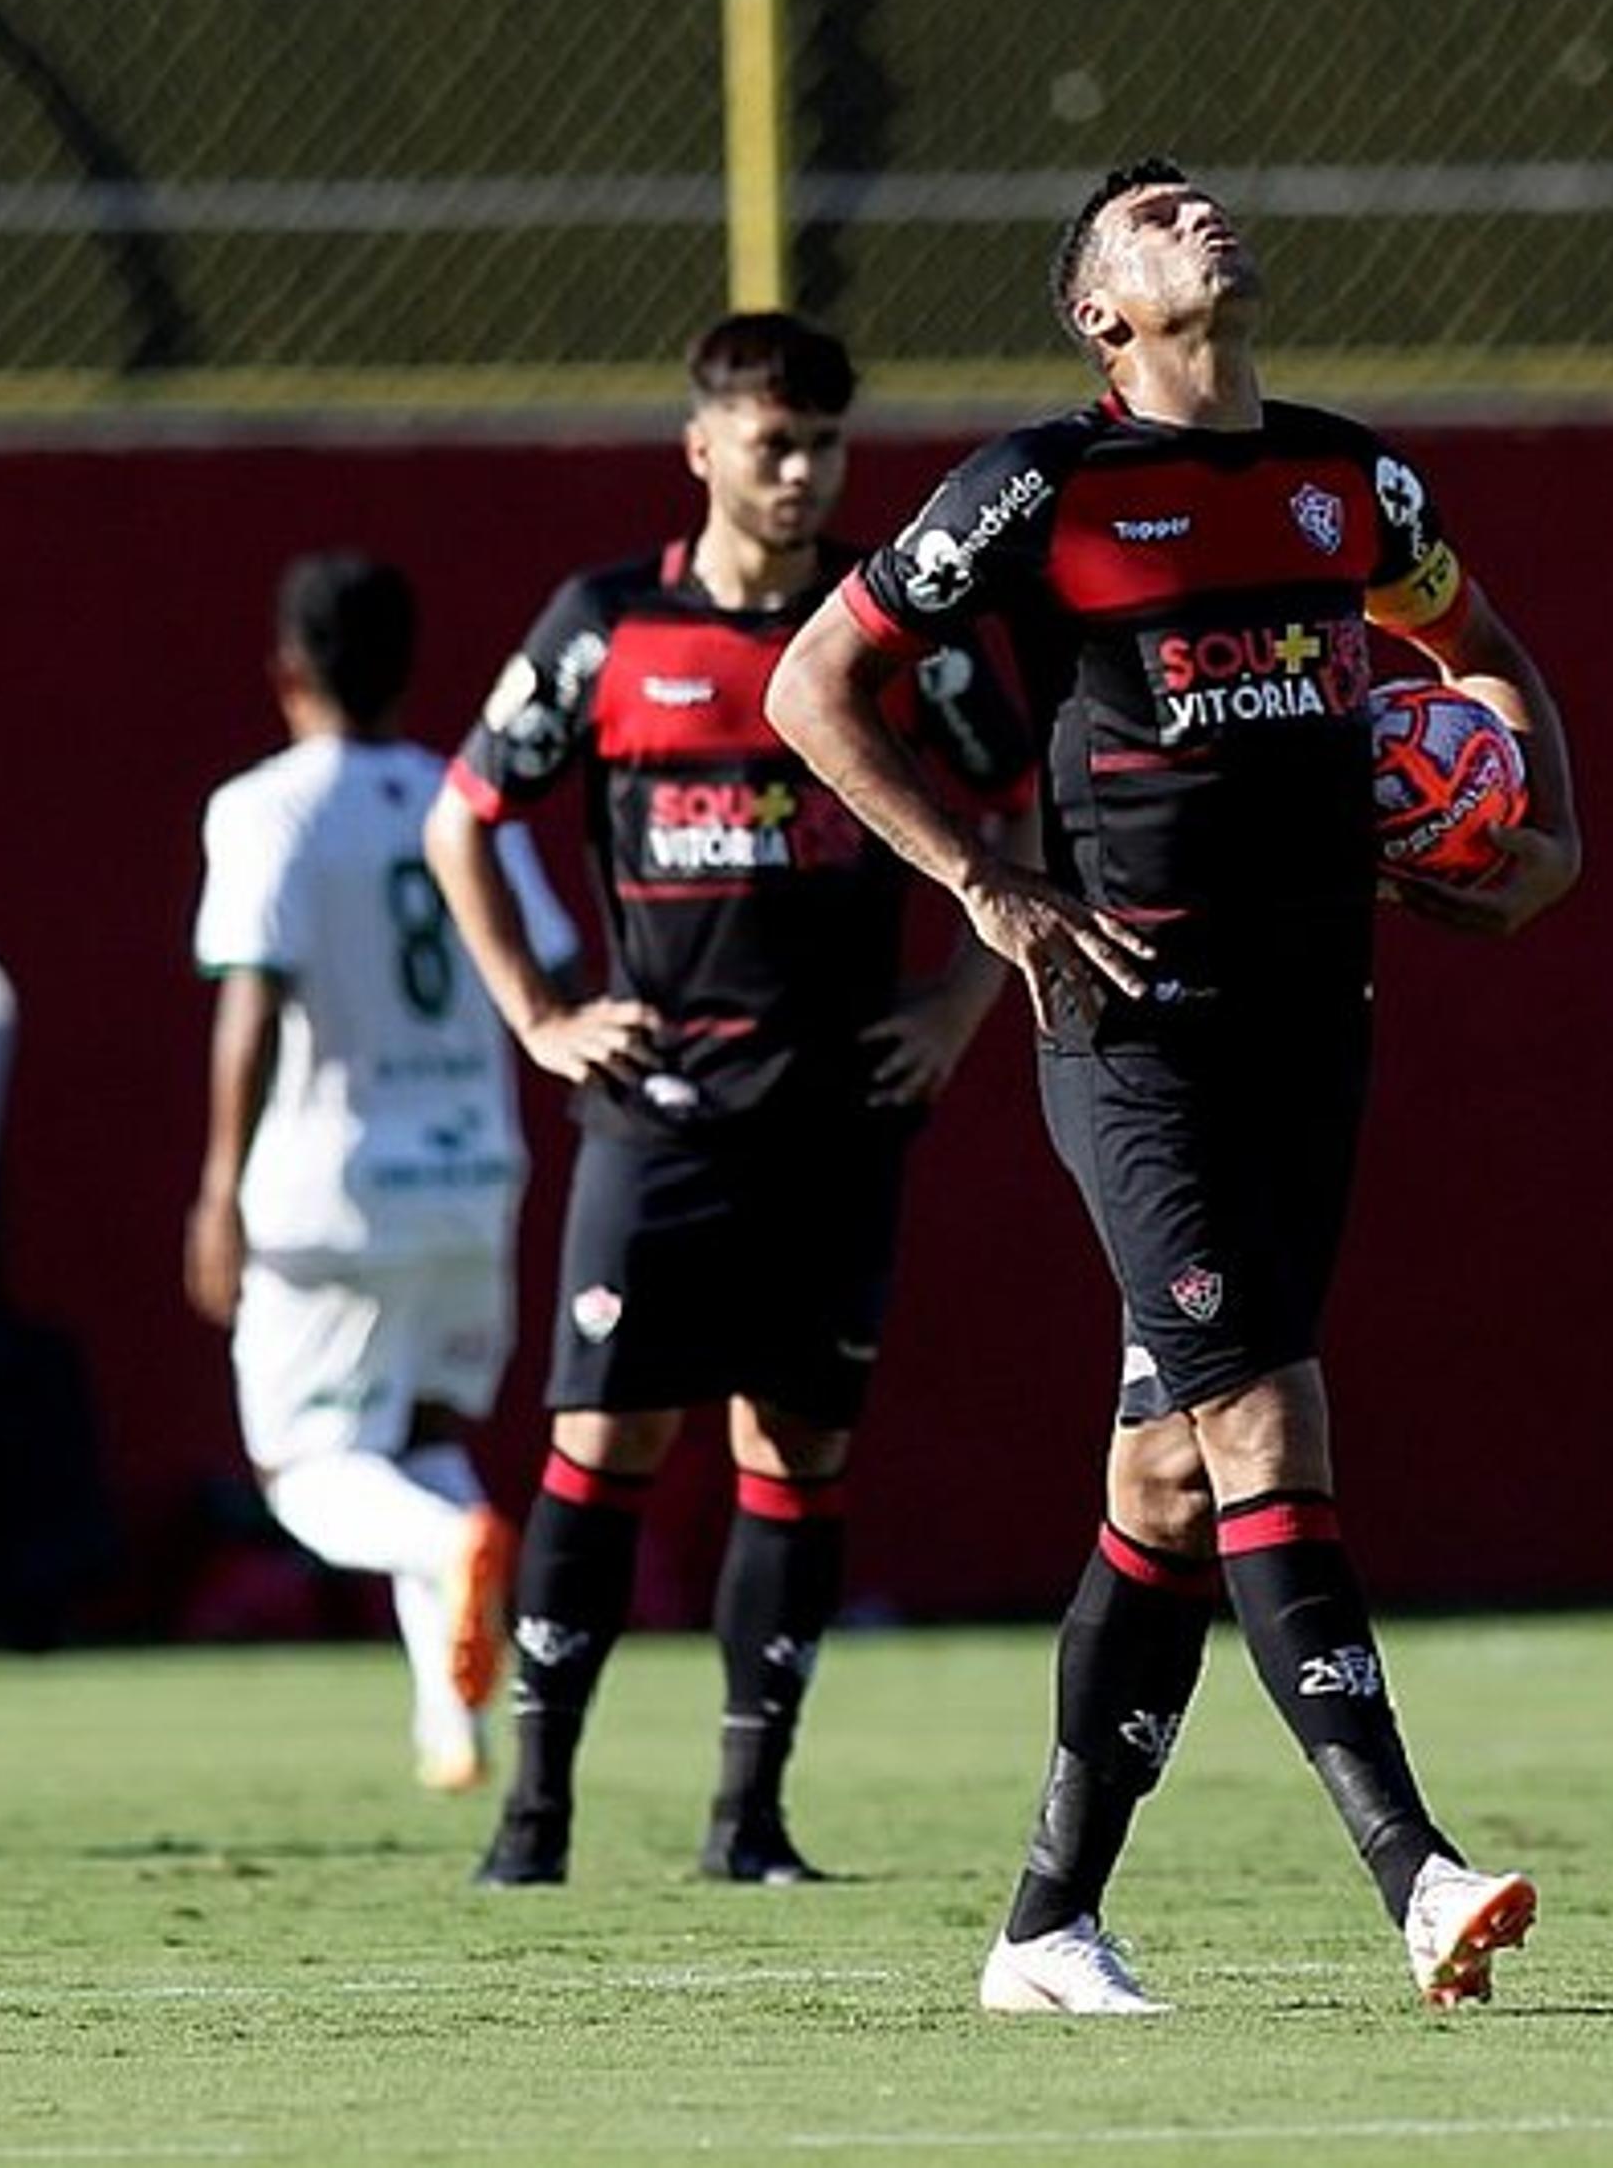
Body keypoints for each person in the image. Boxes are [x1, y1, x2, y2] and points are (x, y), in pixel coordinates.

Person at [767, 160, 1580, 2012]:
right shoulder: (1036, 490)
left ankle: (1047, 1922)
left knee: (1168, 1480)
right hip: (1133, 1033)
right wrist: (985, 879)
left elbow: (1487, 657)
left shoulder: (1349, 483)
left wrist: (1543, 826)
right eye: (1155, 220)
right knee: (1266, 1430)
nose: (1199, 219)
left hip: (1320, 1022)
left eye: (1203, 204)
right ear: (1099, 311)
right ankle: (1417, 1868)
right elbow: (815, 687)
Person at [428, 310, 1034, 1887]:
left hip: (838, 1111)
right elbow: (463, 819)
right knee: (605, 1439)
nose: (800, 469)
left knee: (800, 1454)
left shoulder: (895, 631)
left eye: (824, 444)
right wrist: (543, 1014)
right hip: (660, 1112)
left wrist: (964, 998)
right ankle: (535, 1813)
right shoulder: (607, 627)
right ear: (702, 447)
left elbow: (1026, 796)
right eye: (772, 441)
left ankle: (749, 1820)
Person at [188, 551, 582, 1795]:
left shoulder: (265, 807)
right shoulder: (460, 796)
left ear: (284, 671)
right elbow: (547, 969)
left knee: (303, 1469)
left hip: (330, 1182)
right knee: (419, 1426)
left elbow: (252, 996)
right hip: (471, 1169)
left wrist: (216, 1186)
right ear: (412, 671)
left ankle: (453, 1540)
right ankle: (451, 1727)